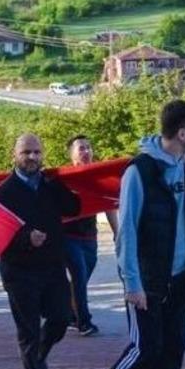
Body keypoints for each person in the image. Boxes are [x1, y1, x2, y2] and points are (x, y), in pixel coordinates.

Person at [101, 100, 185, 369]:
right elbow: (127, 231)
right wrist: (132, 283)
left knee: (173, 349)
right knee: (147, 349)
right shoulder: (140, 171)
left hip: (181, 278)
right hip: (148, 280)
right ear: (183, 134)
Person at [0, 134, 81, 369]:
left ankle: (39, 354)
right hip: (19, 271)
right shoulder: (2, 194)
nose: (32, 157)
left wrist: (64, 183)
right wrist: (25, 238)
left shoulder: (50, 185)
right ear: (15, 155)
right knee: (28, 328)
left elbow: (73, 208)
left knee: (61, 318)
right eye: (26, 152)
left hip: (52, 268)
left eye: (37, 152)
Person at [63, 135, 119, 336]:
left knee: (83, 277)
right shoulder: (64, 179)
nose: (86, 151)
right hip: (68, 237)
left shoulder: (98, 178)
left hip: (89, 238)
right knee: (79, 274)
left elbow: (108, 204)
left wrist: (117, 232)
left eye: (88, 147)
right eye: (81, 148)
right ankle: (84, 322)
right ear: (71, 154)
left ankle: (69, 314)